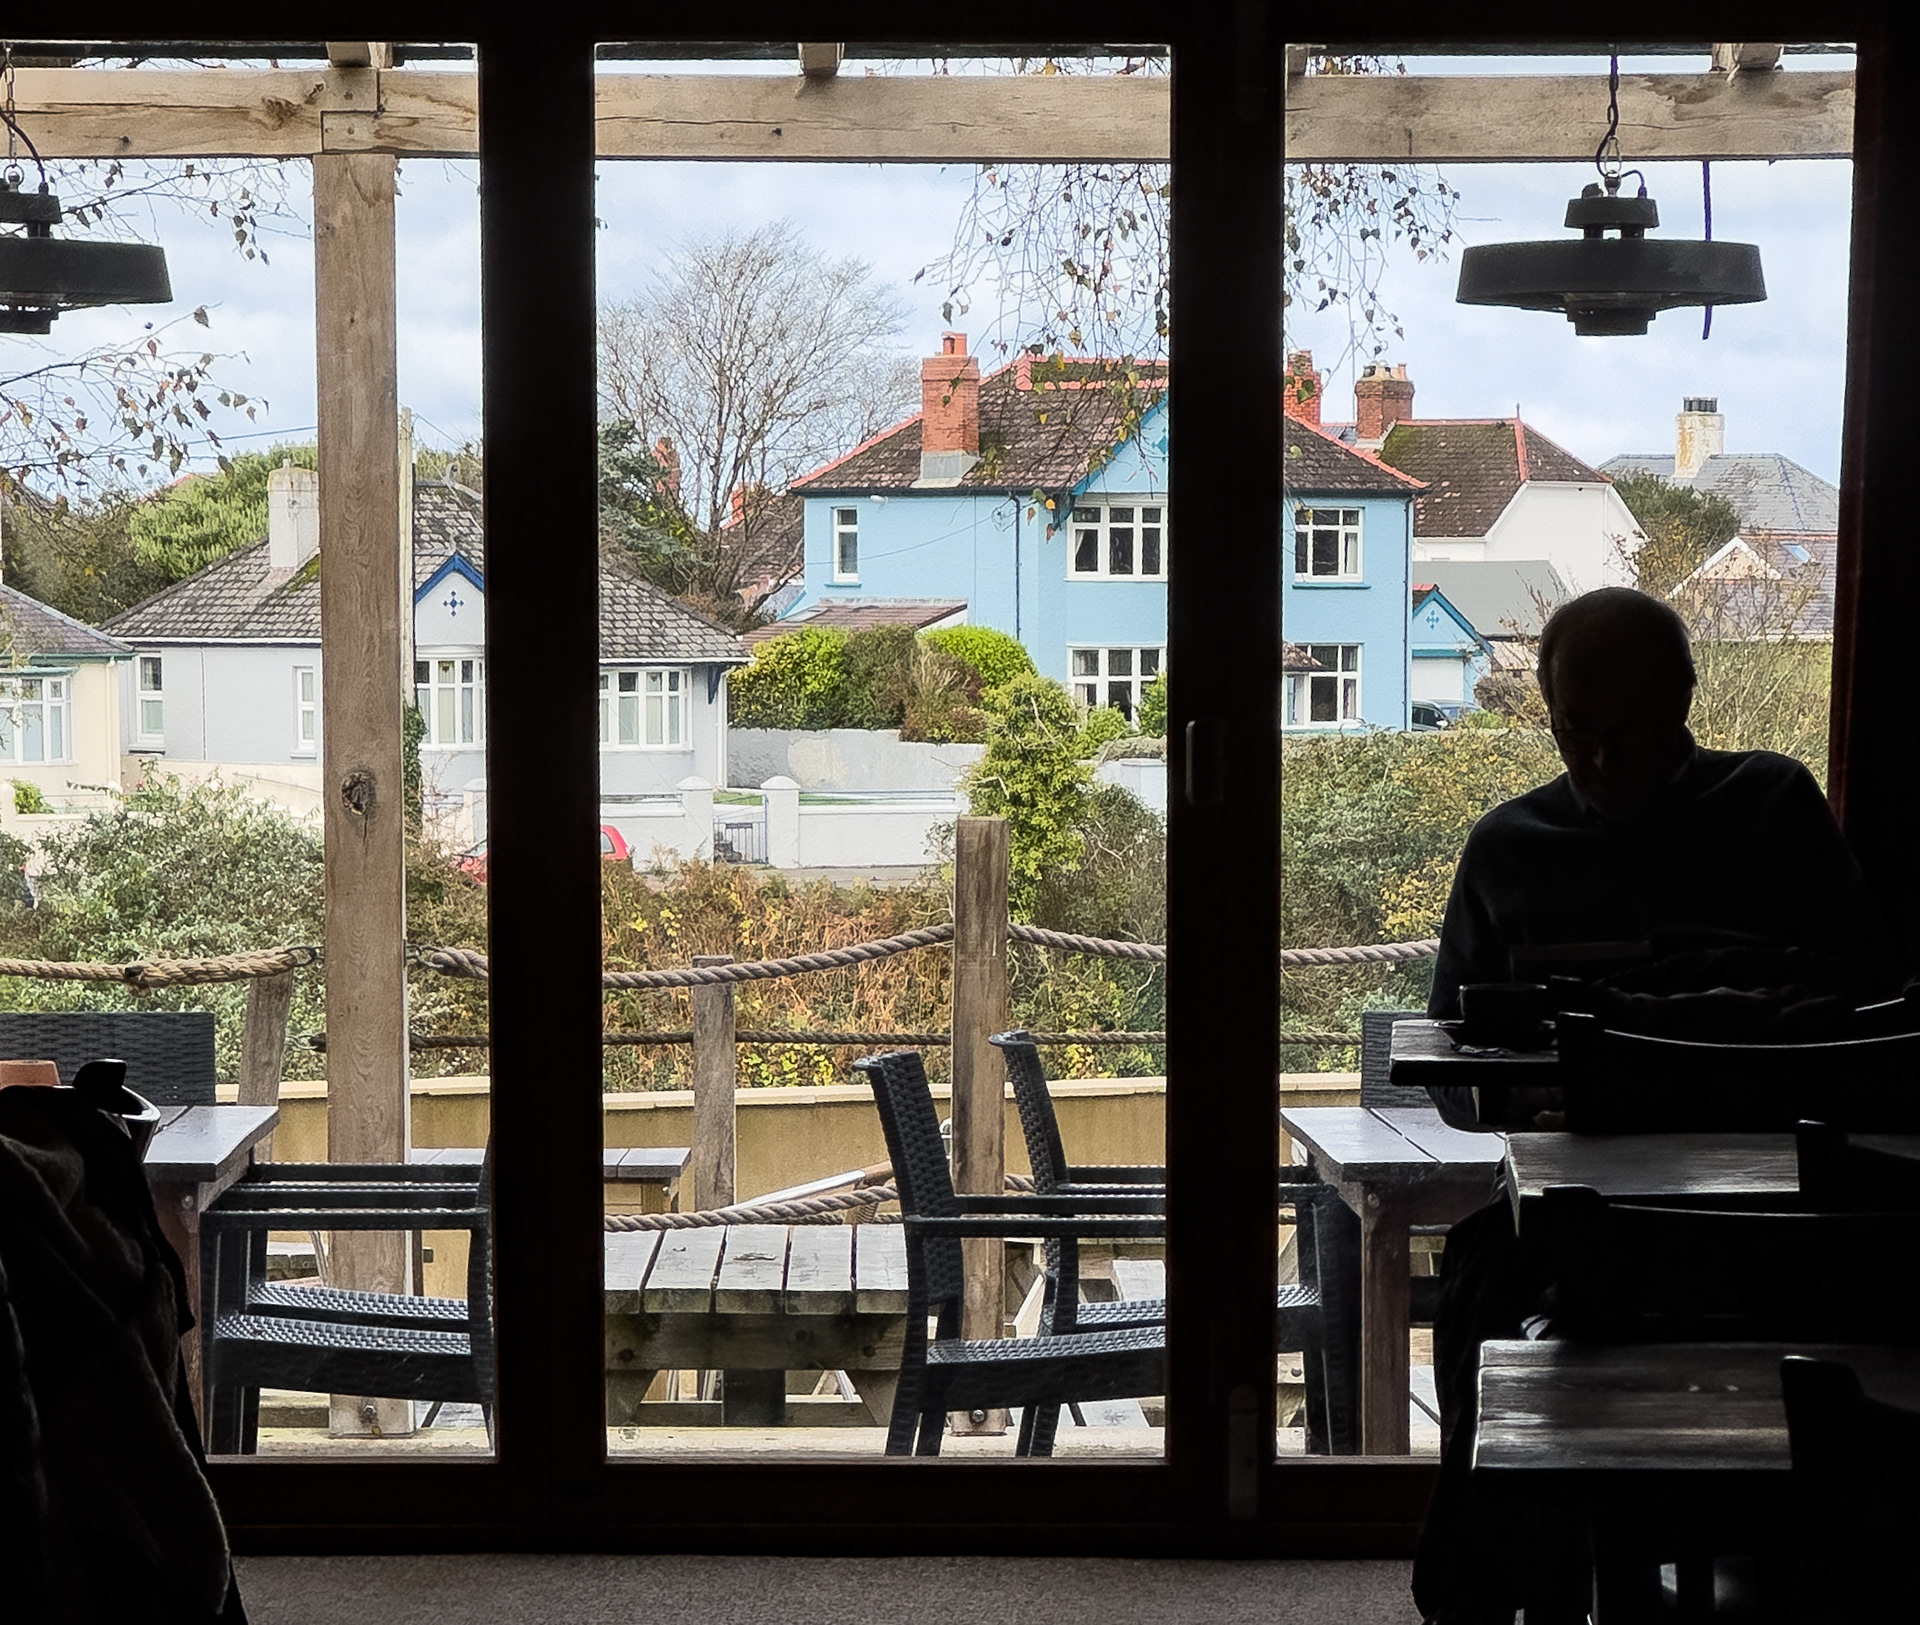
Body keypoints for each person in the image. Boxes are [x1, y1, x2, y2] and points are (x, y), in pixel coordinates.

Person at [1412, 587, 1900, 1625]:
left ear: (1684, 699)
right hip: (1599, 1207)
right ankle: (1495, 1585)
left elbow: (1872, 1006)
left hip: (1775, 1207)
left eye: (1627, 732)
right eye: (1573, 731)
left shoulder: (1772, 805)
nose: (1599, 759)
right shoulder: (1508, 846)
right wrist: (1522, 1091)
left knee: (1484, 1278)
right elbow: (1451, 1071)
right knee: (1482, 1283)